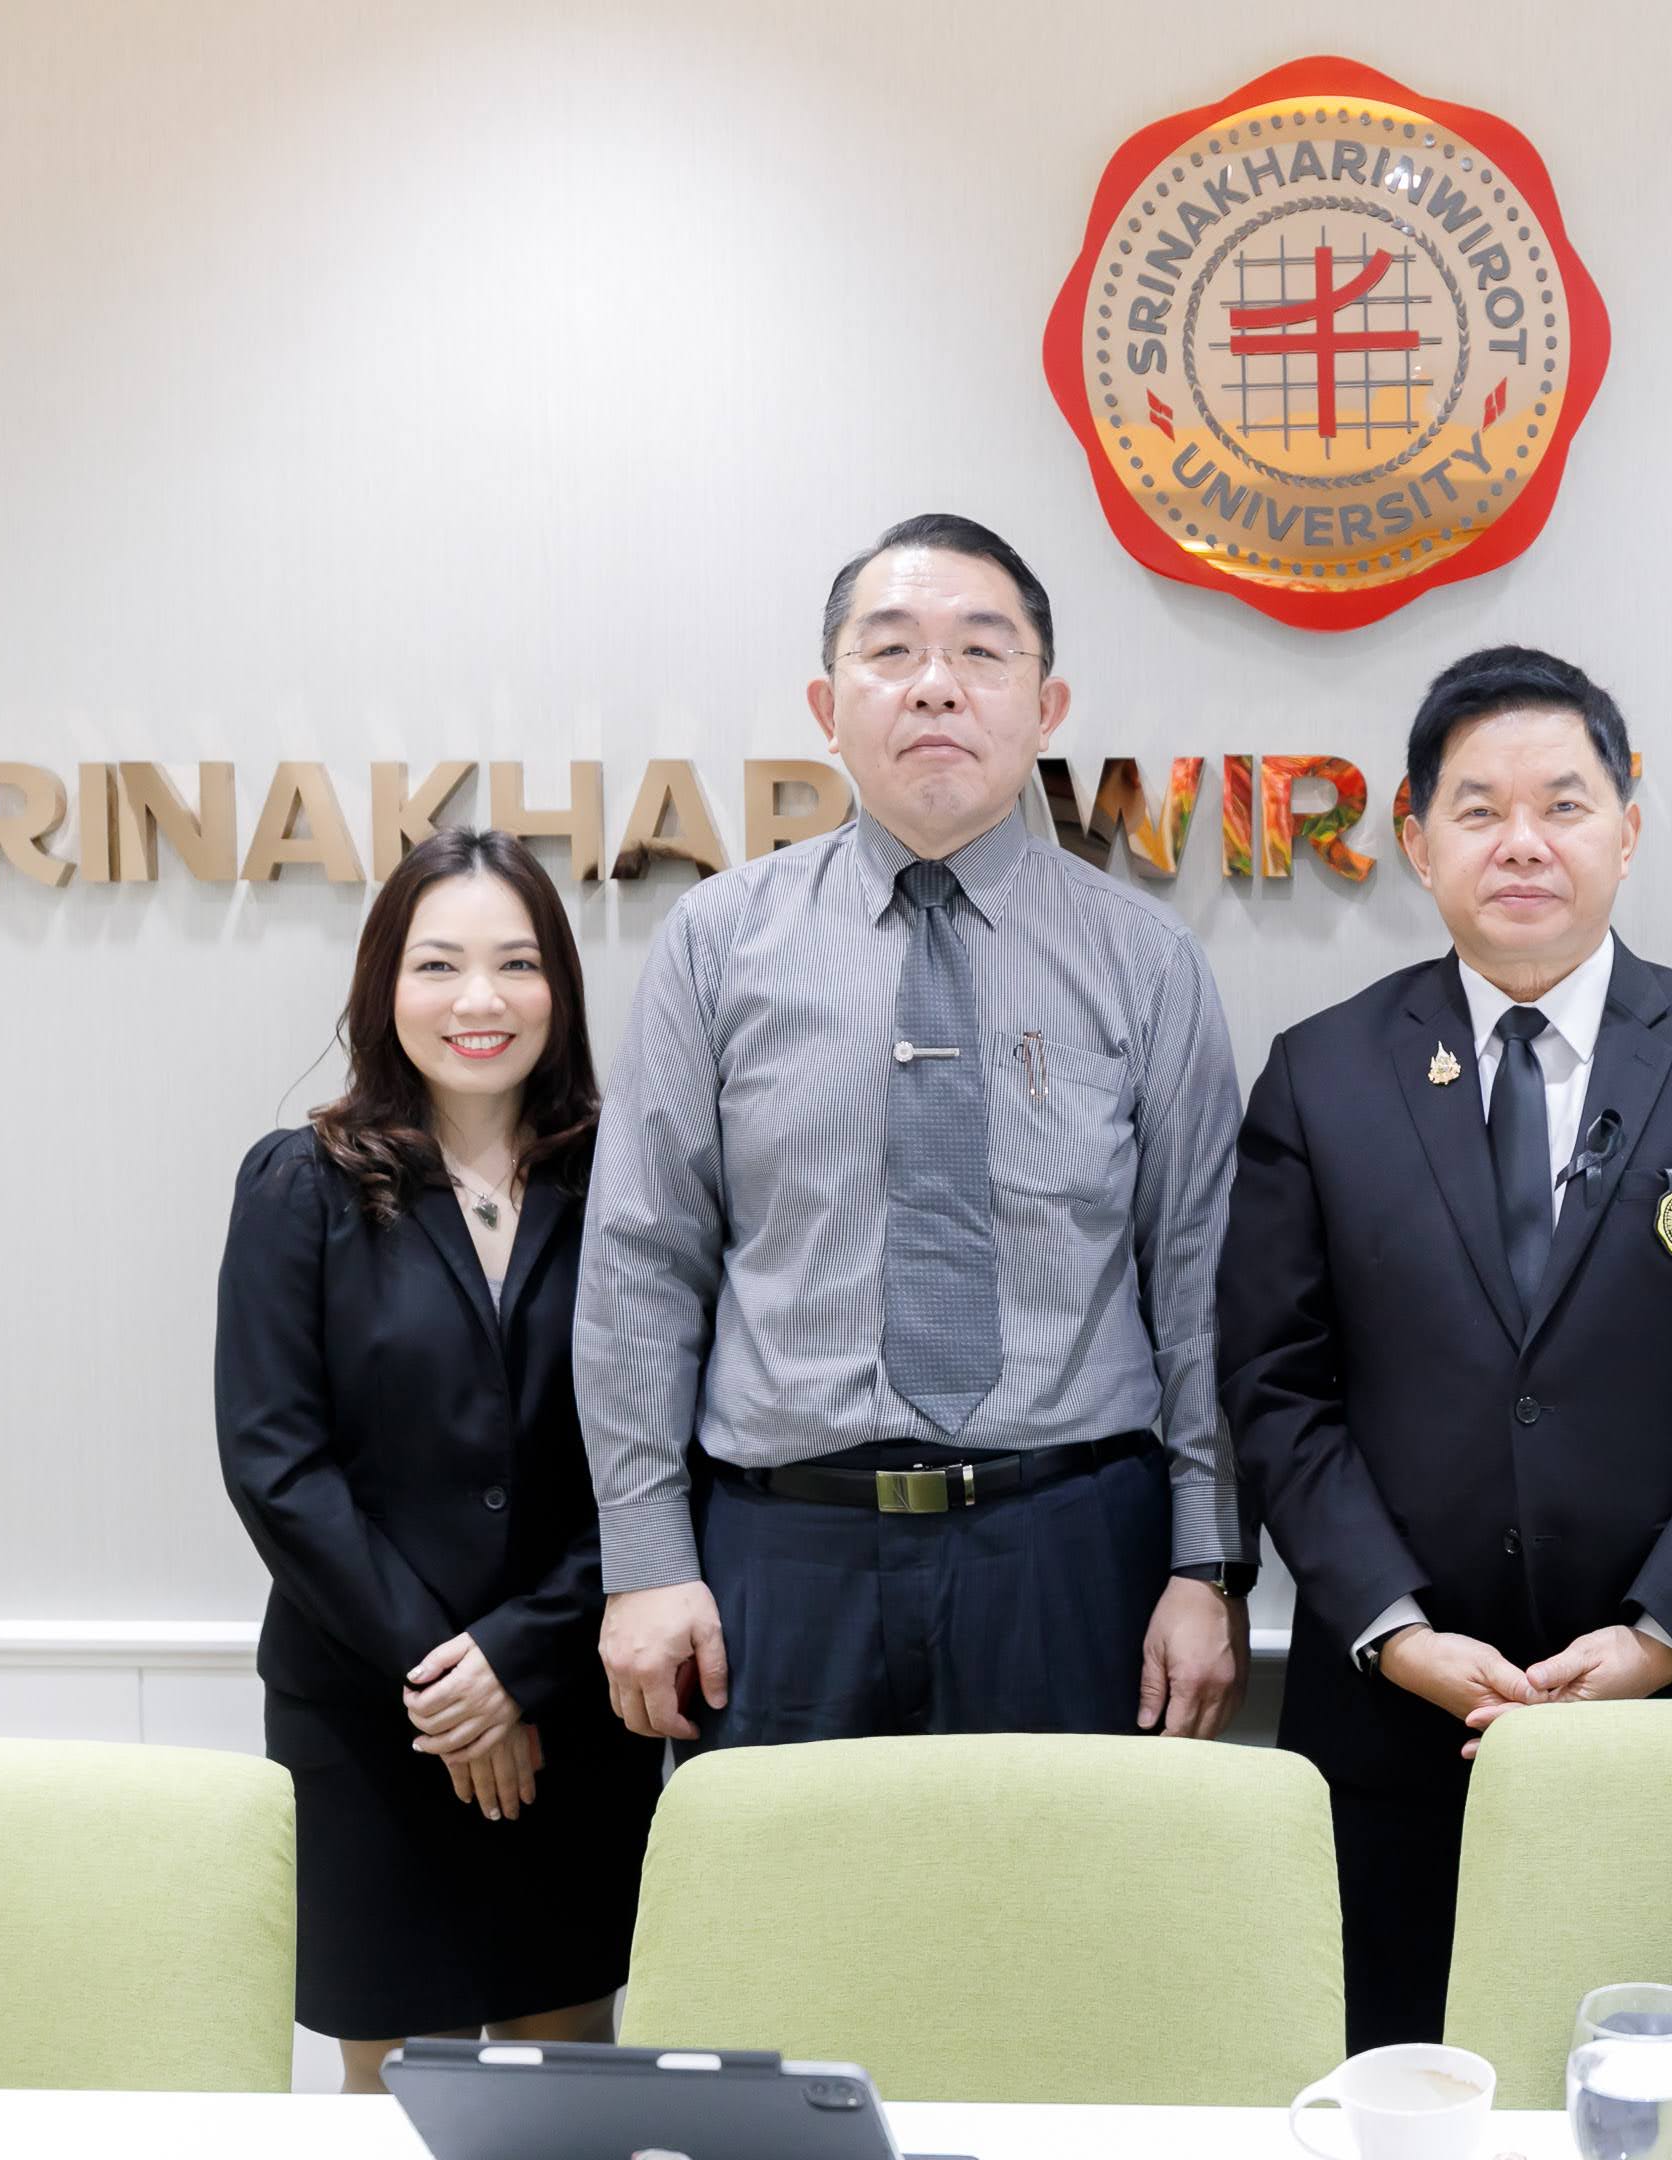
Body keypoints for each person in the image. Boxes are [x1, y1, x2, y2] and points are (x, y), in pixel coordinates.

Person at [1222, 645, 1672, 2051]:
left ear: (1628, 828)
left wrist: (1660, 1635)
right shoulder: (1320, 1073)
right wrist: (1396, 1633)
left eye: (1564, 804)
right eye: (1479, 808)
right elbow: (1276, 1388)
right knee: (1404, 2085)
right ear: (1414, 840)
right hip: (1396, 1722)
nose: (1522, 843)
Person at [578, 514, 1250, 1750]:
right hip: (781, 1556)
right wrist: (645, 1556)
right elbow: (639, 1267)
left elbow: (1200, 1281)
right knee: (781, 1882)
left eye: (981, 652)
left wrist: (1206, 1565)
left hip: (1068, 1548)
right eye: (891, 651)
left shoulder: (1148, 963)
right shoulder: (717, 947)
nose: (936, 684)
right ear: (827, 708)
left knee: (1064, 1877)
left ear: (1045, 709)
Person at [216, 828, 661, 2089]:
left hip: (575, 1705)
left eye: (517, 964)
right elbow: (275, 1462)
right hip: (370, 1716)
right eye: (439, 964)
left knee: (568, 2083)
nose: (480, 999)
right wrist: (446, 1682)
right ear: (385, 984)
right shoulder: (298, 1183)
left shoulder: (632, 1181)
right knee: (397, 2091)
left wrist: (520, 1661)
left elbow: (660, 1441)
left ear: (559, 988)